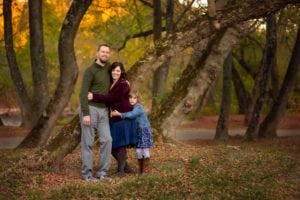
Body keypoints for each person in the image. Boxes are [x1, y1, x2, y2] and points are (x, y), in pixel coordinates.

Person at [88, 62, 136, 177]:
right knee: (111, 144)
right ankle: (125, 166)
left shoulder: (124, 84)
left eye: (118, 71)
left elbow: (112, 98)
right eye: (113, 70)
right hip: (113, 117)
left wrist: (93, 96)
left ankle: (121, 172)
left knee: (121, 144)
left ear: (122, 72)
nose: (115, 72)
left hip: (123, 116)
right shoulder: (110, 83)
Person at [79, 44, 112, 181]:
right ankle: (87, 174)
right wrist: (86, 113)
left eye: (107, 52)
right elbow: (83, 93)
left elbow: (119, 75)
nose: (105, 54)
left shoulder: (109, 69)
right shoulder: (90, 70)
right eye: (103, 52)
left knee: (107, 140)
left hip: (104, 110)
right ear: (97, 53)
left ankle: (102, 172)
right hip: (90, 109)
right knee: (88, 142)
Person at [112, 90, 153, 174]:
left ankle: (145, 169)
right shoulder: (132, 107)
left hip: (144, 130)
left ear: (137, 99)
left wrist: (120, 114)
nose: (132, 100)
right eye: (130, 97)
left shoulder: (138, 107)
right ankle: (141, 169)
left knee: (144, 150)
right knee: (138, 151)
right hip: (137, 131)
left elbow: (132, 114)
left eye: (134, 98)